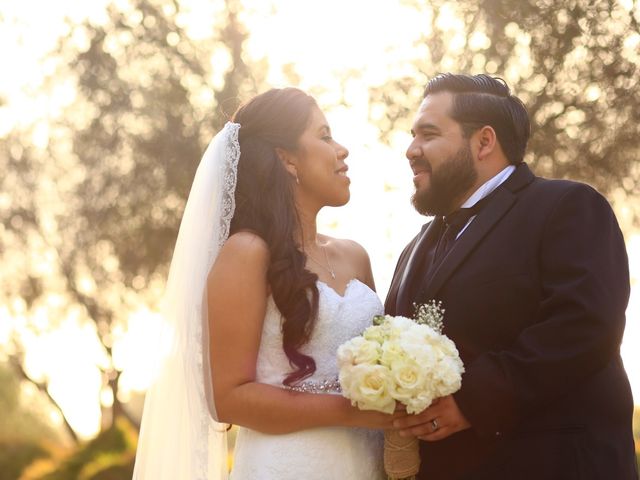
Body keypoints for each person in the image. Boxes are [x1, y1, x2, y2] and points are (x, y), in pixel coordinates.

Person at [132, 87, 395, 480]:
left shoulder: (355, 256)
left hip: (368, 463)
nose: (342, 150)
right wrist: (356, 411)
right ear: (286, 158)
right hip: (290, 466)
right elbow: (227, 398)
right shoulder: (247, 254)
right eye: (324, 136)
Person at [385, 73, 638, 479]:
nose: (411, 150)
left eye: (428, 134)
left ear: (484, 142)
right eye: (413, 136)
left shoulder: (568, 207)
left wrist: (472, 402)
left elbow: (586, 325)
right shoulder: (412, 250)